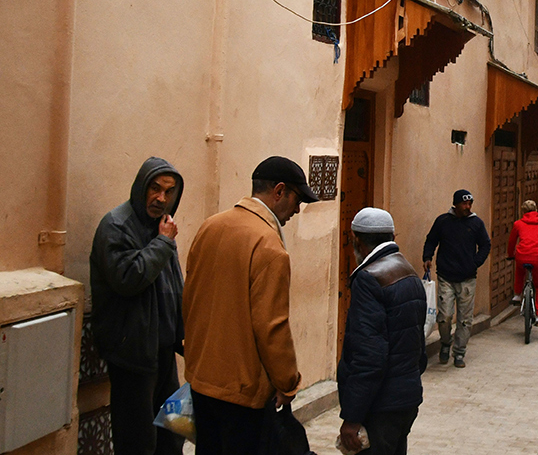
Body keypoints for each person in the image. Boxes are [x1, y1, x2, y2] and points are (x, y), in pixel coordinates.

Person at [182, 156, 319, 454]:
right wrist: (288, 382)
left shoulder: (210, 227)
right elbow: (272, 327)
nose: (298, 209)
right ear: (279, 191)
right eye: (297, 200)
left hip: (202, 381)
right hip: (243, 393)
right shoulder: (270, 247)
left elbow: (189, 299)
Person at [90, 157, 185, 455]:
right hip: (132, 354)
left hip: (163, 351)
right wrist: (163, 243)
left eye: (169, 192)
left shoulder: (161, 228)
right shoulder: (116, 226)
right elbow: (128, 278)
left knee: (173, 434)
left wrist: (184, 334)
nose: (161, 198)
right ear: (141, 187)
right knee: (138, 440)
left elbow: (173, 285)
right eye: (155, 189)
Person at [337, 208, 427, 455]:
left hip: (381, 404)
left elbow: (369, 356)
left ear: (357, 240)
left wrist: (353, 418)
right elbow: (418, 345)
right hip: (406, 398)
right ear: (392, 237)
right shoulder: (408, 271)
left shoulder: (369, 279)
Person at [423, 189, 491, 368]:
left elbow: (485, 245)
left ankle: (459, 352)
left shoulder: (476, 223)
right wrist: (427, 257)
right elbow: (431, 240)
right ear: (456, 204)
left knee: (465, 319)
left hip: (467, 278)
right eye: (464, 204)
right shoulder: (443, 221)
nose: (467, 207)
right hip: (446, 276)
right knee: (444, 316)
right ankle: (445, 343)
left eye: (470, 204)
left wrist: (475, 262)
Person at [506, 200, 538, 327]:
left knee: (519, 273)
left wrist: (511, 255)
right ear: (536, 210)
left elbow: (512, 242)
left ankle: (517, 295)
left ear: (523, 211)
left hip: (522, 256)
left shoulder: (518, 224)